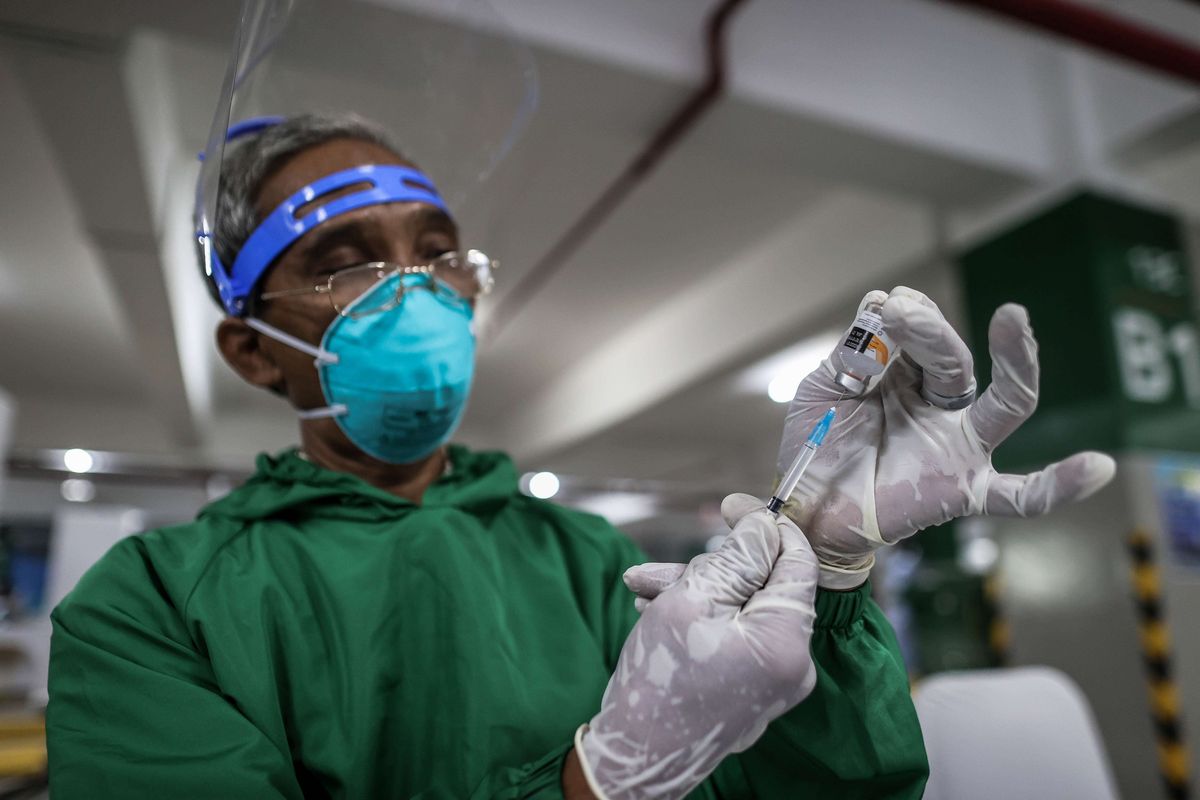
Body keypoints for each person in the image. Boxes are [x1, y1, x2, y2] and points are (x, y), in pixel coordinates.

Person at [45, 112, 1114, 799]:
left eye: (438, 254)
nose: (418, 292)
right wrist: (592, 784)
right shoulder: (151, 608)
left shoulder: (590, 558)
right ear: (250, 349)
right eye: (343, 264)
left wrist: (821, 566)